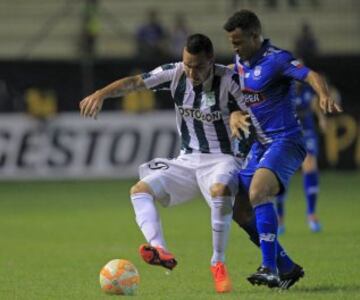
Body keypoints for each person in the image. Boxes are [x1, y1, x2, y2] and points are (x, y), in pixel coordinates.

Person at [80, 33, 251, 294]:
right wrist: (101, 94)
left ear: (211, 60)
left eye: (198, 66)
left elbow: (246, 109)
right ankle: (159, 248)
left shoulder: (229, 80)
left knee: (220, 192)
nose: (192, 72)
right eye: (187, 65)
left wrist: (238, 115)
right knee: (139, 191)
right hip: (187, 159)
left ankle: (218, 263)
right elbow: (136, 82)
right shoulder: (175, 73)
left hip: (223, 158)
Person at [223, 9, 342, 288]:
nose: (235, 47)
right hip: (260, 144)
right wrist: (233, 114)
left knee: (258, 191)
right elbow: (233, 87)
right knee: (239, 210)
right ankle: (286, 267)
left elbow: (311, 75)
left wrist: (323, 95)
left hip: (287, 140)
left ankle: (270, 268)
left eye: (238, 42)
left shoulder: (278, 59)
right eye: (232, 43)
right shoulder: (239, 61)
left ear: (255, 35)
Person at [276, 81, 326, 234]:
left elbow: (314, 104)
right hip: (288, 134)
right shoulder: (282, 89)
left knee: (310, 165)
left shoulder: (307, 88)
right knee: (280, 173)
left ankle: (311, 214)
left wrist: (322, 118)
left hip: (307, 132)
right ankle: (280, 218)